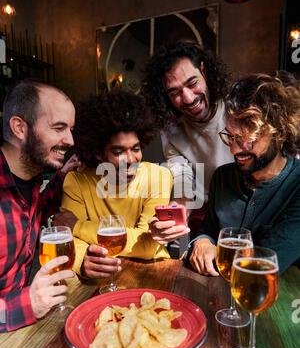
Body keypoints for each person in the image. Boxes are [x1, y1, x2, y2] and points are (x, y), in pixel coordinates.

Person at [53, 90, 172, 281]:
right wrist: (82, 259)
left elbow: (148, 245)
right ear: (99, 153)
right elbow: (69, 240)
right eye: (118, 152)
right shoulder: (76, 181)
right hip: (97, 275)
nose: (131, 160)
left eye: (136, 149)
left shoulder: (159, 176)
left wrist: (77, 226)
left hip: (153, 270)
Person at [187, 73, 300, 275]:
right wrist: (202, 241)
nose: (234, 150)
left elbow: (266, 262)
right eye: (230, 137)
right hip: (221, 298)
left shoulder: (296, 184)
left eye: (247, 139)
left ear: (280, 133)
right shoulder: (222, 177)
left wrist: (216, 250)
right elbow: (209, 230)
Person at [0, 79, 82, 332]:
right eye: (59, 128)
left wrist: (63, 175)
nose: (69, 140)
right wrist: (29, 303)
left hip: (23, 329)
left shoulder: (29, 178)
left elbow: (31, 212)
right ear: (20, 128)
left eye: (70, 129)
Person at [142, 40, 233, 239]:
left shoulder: (234, 107)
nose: (188, 98)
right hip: (203, 212)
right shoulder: (171, 129)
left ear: (204, 71)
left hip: (245, 207)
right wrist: (178, 212)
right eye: (174, 93)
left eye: (192, 83)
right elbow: (182, 177)